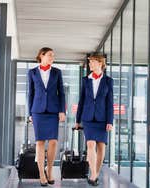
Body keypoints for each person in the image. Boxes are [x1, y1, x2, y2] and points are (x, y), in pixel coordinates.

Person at [28, 47, 66, 186]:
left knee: (54, 141)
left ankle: (49, 169)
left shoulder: (57, 72)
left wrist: (62, 111)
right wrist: (29, 113)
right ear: (41, 56)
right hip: (37, 111)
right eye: (50, 55)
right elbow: (30, 94)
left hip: (53, 111)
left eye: (53, 56)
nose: (52, 58)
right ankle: (41, 174)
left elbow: (61, 93)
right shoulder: (32, 72)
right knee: (40, 142)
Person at [75, 54, 113, 186]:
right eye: (89, 62)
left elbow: (110, 102)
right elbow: (81, 100)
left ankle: (96, 173)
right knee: (90, 144)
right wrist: (77, 119)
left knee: (101, 146)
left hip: (102, 118)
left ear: (100, 63)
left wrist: (110, 121)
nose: (90, 64)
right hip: (88, 118)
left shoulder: (108, 81)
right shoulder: (86, 80)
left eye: (92, 62)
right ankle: (93, 174)